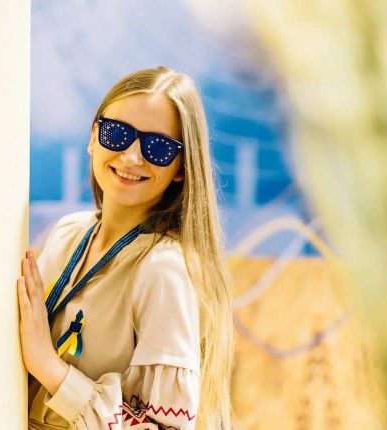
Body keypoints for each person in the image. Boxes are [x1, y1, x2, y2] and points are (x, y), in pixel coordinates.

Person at [16, 66, 233, 430]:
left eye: (158, 147)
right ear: (93, 138)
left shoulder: (163, 270)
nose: (132, 157)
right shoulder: (68, 233)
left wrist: (49, 367)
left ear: (181, 168)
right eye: (117, 134)